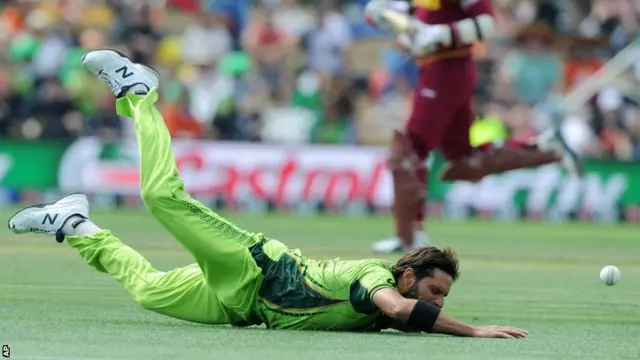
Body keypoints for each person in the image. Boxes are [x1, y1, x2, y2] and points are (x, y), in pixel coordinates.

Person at [8, 49, 527, 338]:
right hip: (254, 265)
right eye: (435, 291)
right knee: (160, 196)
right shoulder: (378, 281)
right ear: (409, 275)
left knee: (147, 290)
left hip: (245, 307)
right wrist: (474, 331)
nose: (436, 301)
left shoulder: (403, 305)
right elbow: (397, 309)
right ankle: (140, 93)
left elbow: (411, 318)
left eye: (442, 298)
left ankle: (74, 224)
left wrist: (442, 321)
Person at [365, 0, 582, 253]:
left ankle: (410, 235)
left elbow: (486, 24)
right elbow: (406, 19)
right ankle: (545, 148)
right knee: (464, 159)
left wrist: (439, 34)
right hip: (438, 69)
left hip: (447, 69)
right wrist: (388, 15)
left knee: (410, 150)